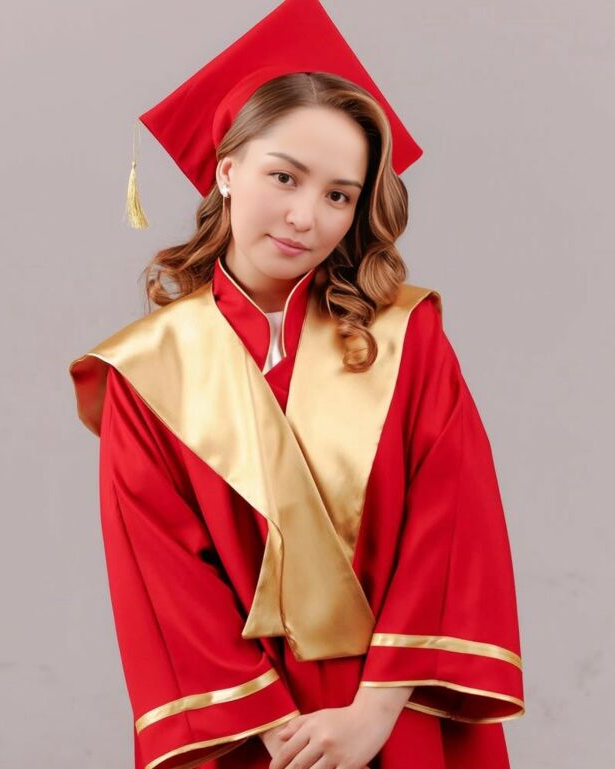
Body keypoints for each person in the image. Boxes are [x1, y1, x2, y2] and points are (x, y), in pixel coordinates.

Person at [69, 1, 525, 768]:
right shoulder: (148, 372)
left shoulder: (405, 338)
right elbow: (161, 575)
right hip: (253, 730)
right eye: (284, 176)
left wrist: (372, 715)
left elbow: (452, 525)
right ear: (227, 170)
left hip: (400, 708)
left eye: (339, 194)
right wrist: (290, 738)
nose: (305, 217)